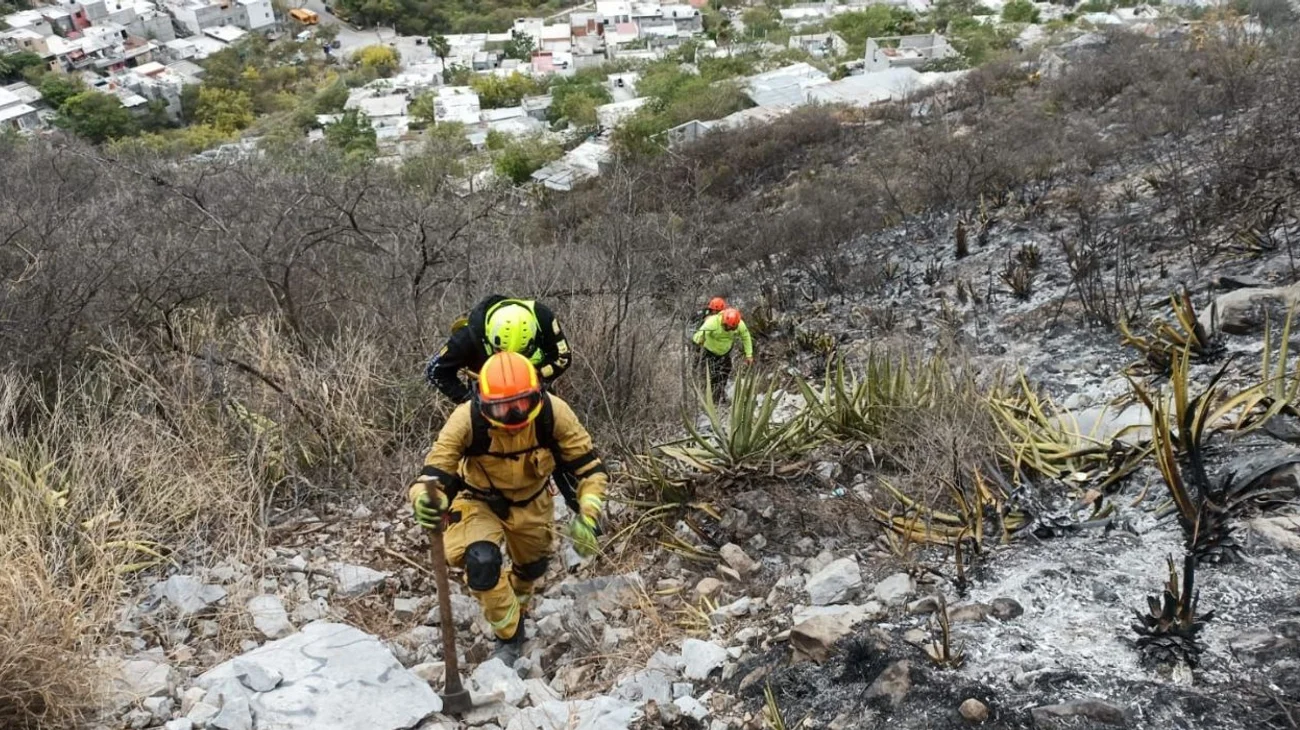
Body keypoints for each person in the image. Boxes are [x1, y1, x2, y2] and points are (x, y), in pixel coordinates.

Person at [409, 352, 607, 662]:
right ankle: (510, 636)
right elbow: (434, 472)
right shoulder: (466, 418)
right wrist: (424, 497)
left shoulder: (554, 413)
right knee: (482, 561)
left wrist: (588, 513)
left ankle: (518, 604)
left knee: (532, 567)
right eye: (502, 407)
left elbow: (590, 469)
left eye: (522, 404)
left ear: (537, 394)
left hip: (533, 500)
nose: (514, 416)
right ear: (483, 402)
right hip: (478, 500)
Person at [425, 294, 572, 404]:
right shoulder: (468, 337)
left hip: (534, 388)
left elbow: (563, 357)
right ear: (489, 336)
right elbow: (435, 370)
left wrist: (538, 374)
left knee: (557, 422)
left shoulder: (541, 317)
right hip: (487, 396)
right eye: (501, 352)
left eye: (521, 353)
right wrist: (469, 402)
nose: (510, 362)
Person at [691, 307, 753, 402]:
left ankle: (719, 394)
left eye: (732, 328)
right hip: (709, 352)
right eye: (727, 327)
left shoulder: (739, 324)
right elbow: (697, 336)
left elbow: (746, 337)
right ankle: (708, 397)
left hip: (724, 353)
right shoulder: (712, 322)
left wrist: (749, 354)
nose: (729, 329)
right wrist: (699, 340)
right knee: (711, 375)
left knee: (725, 372)